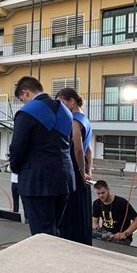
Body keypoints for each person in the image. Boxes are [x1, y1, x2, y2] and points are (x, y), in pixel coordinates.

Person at [9, 76, 74, 237]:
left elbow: (17, 148)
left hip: (37, 182)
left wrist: (16, 168)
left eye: (22, 99)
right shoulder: (65, 111)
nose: (23, 103)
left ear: (25, 93)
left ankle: (44, 262)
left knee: (40, 235)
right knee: (54, 229)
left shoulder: (28, 112)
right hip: (64, 179)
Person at [57, 88, 93, 245]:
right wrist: (88, 170)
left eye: (62, 102)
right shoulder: (85, 119)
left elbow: (78, 149)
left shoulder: (74, 120)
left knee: (71, 210)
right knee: (82, 210)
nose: (61, 106)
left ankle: (71, 242)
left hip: (74, 168)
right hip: (83, 169)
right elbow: (89, 150)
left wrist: (80, 171)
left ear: (71, 101)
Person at [92, 180, 137, 245]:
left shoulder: (121, 202)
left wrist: (124, 234)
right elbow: (94, 222)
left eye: (103, 193)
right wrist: (100, 233)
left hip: (121, 237)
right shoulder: (96, 203)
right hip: (106, 235)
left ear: (108, 190)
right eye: (98, 194)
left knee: (115, 247)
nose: (101, 196)